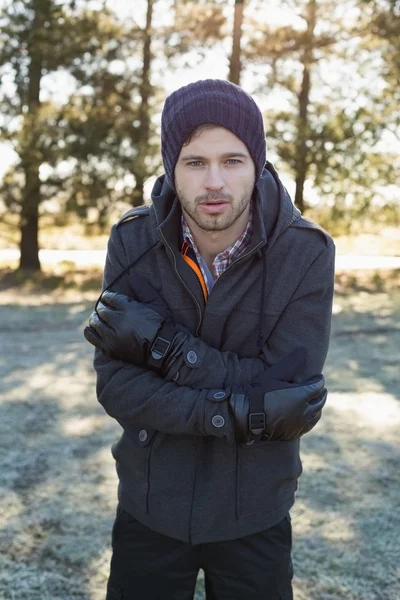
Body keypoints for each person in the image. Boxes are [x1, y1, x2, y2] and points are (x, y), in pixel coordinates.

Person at [84, 79, 335, 600]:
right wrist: (234, 412)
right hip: (150, 502)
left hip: (255, 510)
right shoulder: (131, 240)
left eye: (233, 160)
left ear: (258, 163)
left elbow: (289, 392)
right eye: (195, 162)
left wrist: (164, 347)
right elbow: (116, 387)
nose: (214, 181)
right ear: (171, 167)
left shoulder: (307, 252)